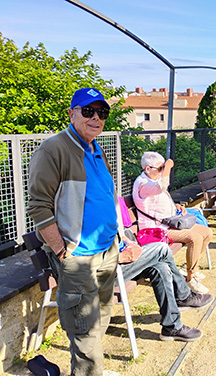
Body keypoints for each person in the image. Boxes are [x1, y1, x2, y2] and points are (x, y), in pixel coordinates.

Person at [27, 88, 120, 376]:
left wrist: (118, 237)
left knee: (101, 318)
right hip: (78, 257)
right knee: (85, 330)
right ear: (72, 113)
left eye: (102, 112)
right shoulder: (54, 148)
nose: (96, 118)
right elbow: (38, 206)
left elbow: (105, 195)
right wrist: (60, 250)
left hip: (107, 251)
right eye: (88, 111)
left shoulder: (95, 147)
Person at [133, 152, 212, 294]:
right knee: (195, 238)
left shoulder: (152, 179)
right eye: (160, 168)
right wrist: (168, 167)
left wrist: (175, 206)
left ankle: (190, 267)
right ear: (147, 169)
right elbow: (161, 187)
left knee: (207, 232)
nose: (162, 171)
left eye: (163, 168)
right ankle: (190, 278)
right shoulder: (142, 184)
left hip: (169, 222)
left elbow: (159, 197)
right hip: (156, 230)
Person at [118, 237, 213, 342]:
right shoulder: (96, 224)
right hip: (109, 271)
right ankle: (183, 296)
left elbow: (118, 234)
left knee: (161, 268)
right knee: (162, 249)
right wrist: (119, 256)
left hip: (123, 259)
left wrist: (130, 243)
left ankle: (171, 327)